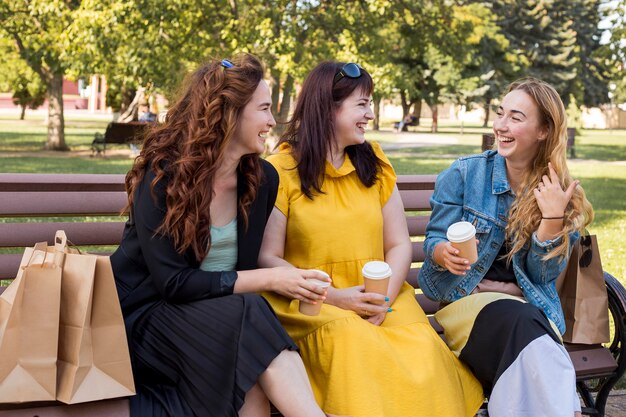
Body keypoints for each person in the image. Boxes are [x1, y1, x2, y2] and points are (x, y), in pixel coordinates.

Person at [111, 54, 334, 417]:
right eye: (263, 108)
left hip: (220, 323)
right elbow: (173, 284)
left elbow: (238, 275)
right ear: (229, 113)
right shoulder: (163, 177)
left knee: (249, 369)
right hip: (146, 322)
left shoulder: (260, 180)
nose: (272, 121)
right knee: (249, 313)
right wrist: (274, 277)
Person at [258, 61, 484, 417]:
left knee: (422, 351)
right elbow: (269, 258)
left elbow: (397, 245)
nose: (370, 113)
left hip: (383, 297)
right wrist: (336, 298)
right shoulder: (281, 170)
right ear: (328, 108)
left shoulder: (373, 162)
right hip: (314, 304)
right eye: (361, 104)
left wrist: (382, 300)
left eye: (370, 102)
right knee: (353, 343)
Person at [419, 77, 594, 417]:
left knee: (529, 330)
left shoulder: (556, 193)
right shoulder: (465, 174)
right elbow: (434, 243)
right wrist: (444, 254)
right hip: (466, 308)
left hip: (527, 315)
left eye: (516, 117)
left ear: (543, 131)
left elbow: (541, 274)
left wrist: (553, 218)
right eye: (500, 114)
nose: (500, 125)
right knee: (529, 329)